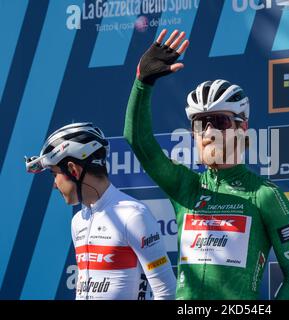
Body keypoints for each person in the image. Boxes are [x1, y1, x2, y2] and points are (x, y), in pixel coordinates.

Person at [123, 29, 289, 299]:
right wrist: (143, 82)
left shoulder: (264, 195)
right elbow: (137, 140)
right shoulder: (186, 186)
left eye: (220, 122)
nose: (209, 132)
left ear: (242, 127)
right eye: (200, 123)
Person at [25, 122, 176, 300]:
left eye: (54, 174)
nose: (54, 185)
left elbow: (166, 291)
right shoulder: (78, 221)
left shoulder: (133, 215)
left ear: (73, 169)